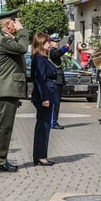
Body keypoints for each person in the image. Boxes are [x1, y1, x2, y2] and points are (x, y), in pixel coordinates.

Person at [0, 9, 29, 173]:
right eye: (15, 22)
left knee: (6, 126)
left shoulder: (7, 39)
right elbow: (22, 48)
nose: (18, 25)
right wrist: (22, 31)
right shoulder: (4, 40)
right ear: (8, 24)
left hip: (9, 88)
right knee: (4, 127)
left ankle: (1, 159)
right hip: (6, 88)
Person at [30, 33, 58, 166]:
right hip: (44, 95)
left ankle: (40, 155)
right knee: (43, 126)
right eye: (48, 42)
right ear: (41, 44)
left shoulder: (41, 58)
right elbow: (40, 79)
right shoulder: (39, 59)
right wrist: (45, 98)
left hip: (47, 93)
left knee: (44, 125)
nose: (50, 44)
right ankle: (41, 156)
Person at [48, 33, 70, 129]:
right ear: (50, 43)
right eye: (55, 41)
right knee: (54, 102)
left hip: (58, 80)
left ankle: (54, 120)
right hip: (55, 80)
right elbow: (58, 53)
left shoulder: (54, 51)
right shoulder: (52, 52)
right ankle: (52, 122)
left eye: (58, 41)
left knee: (56, 102)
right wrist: (67, 45)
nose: (57, 43)